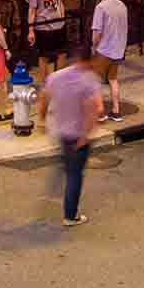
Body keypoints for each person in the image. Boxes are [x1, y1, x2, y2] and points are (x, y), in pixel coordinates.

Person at [38, 54, 101, 227]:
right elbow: (95, 108)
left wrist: (42, 119)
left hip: (60, 131)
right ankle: (70, 215)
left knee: (67, 164)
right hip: (77, 134)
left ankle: (56, 189)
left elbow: (44, 97)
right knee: (75, 175)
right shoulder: (89, 80)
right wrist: (86, 135)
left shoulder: (56, 76)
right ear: (89, 61)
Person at [89, 0, 129, 121]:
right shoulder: (122, 6)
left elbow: (97, 32)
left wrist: (94, 46)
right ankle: (116, 111)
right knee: (113, 79)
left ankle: (100, 112)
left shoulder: (101, 7)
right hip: (118, 49)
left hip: (104, 49)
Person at [27, 0, 70, 82]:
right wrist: (31, 30)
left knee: (62, 53)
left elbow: (61, 2)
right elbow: (32, 10)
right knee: (44, 57)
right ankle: (44, 83)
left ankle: (58, 81)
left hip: (59, 26)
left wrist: (62, 18)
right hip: (44, 28)